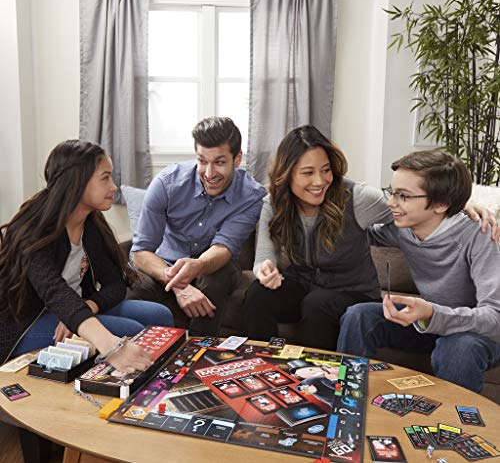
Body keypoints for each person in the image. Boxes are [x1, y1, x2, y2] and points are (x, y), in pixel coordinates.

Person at [243, 126, 498, 350]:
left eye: (326, 170)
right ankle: (259, 369)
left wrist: (460, 204)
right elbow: (264, 257)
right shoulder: (274, 203)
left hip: (351, 293)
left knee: (317, 303)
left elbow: (417, 210)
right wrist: (264, 270)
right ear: (287, 174)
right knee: (258, 293)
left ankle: (318, 379)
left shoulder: (358, 198)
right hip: (304, 284)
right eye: (307, 172)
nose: (319, 181)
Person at [0, 140, 174, 372]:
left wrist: (88, 307)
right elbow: (54, 292)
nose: (114, 187)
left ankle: (160, 380)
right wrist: (110, 346)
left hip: (73, 308)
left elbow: (116, 284)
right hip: (26, 323)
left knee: (160, 316)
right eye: (105, 178)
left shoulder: (91, 224)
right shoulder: (33, 231)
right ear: (77, 181)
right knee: (129, 331)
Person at [337, 150, 500, 393]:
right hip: (430, 321)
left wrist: (433, 313)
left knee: (458, 349)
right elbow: (357, 233)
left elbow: (494, 318)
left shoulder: (479, 235)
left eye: (403, 196)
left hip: (478, 333)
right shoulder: (403, 229)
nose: (391, 203)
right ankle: (347, 399)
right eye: (392, 192)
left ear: (440, 204)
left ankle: (455, 419)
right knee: (358, 315)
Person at [128, 117, 266, 335]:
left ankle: (200, 349)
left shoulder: (251, 196)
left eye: (219, 162)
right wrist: (177, 283)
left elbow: (223, 247)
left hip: (214, 266)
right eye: (202, 161)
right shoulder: (166, 183)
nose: (209, 173)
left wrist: (198, 265)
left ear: (237, 159)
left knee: (217, 278)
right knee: (135, 290)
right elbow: (140, 252)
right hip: (165, 266)